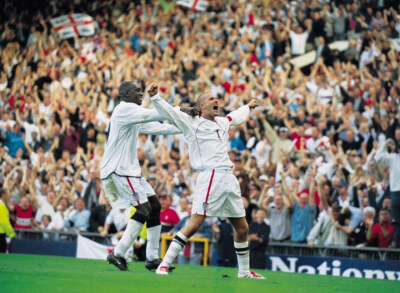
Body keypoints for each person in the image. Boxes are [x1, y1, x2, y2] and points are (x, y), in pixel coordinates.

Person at [150, 83, 265, 279]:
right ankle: (164, 264)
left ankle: (244, 272)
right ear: (202, 106)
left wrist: (248, 106)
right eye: (211, 99)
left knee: (242, 226)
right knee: (195, 223)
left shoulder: (222, 122)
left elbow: (235, 116)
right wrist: (155, 97)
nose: (216, 100)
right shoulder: (192, 123)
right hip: (210, 176)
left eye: (216, 98)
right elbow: (171, 113)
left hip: (229, 178)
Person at [101, 81, 193, 271]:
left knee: (155, 206)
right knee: (143, 209)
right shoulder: (124, 109)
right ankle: (118, 253)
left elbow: (156, 127)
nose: (141, 93)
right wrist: (183, 109)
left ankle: (151, 257)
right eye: (137, 91)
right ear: (125, 94)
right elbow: (155, 113)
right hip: (119, 169)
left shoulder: (131, 115)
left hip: (130, 171)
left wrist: (184, 127)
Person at [375, 139, 400, 247]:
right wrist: (385, 146)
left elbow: (378, 157)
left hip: (395, 193)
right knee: (395, 221)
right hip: (395, 193)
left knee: (396, 221)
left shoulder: (393, 158)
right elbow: (378, 158)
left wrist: (385, 146)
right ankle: (394, 242)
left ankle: (395, 242)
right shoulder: (393, 158)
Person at [0, 188, 15, 253]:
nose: (10, 195)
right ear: (4, 195)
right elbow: (4, 222)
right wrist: (12, 234)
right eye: (8, 193)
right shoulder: (1, 206)